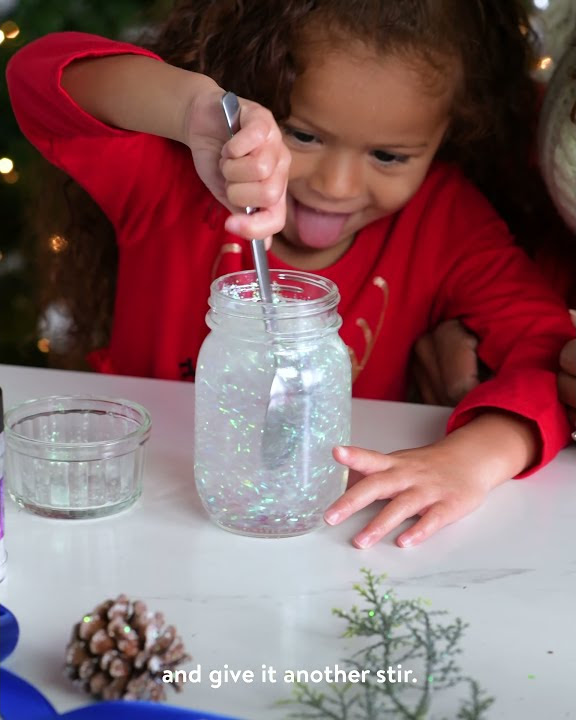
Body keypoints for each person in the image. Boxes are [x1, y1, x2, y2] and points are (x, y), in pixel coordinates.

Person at [6, 0, 575, 549]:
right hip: (134, 512)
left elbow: (552, 352)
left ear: (447, 134)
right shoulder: (174, 182)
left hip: (327, 533)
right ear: (260, 90)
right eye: (303, 135)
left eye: (389, 156)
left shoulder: (447, 225)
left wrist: (473, 459)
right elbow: (36, 77)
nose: (337, 186)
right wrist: (189, 110)